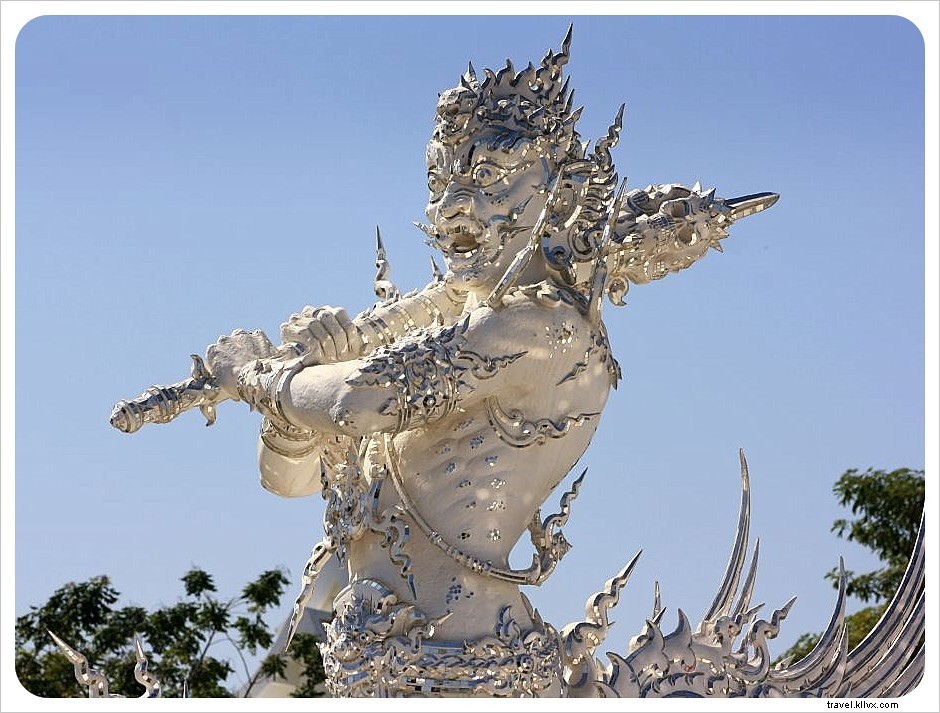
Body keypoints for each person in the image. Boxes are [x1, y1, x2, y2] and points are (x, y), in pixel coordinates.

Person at [202, 31, 755, 697]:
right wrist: (297, 400)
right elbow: (286, 480)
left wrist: (259, 376)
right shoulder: (437, 326)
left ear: (561, 194)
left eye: (489, 179)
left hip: (472, 669)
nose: (455, 207)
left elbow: (360, 403)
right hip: (362, 666)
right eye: (443, 181)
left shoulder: (543, 326)